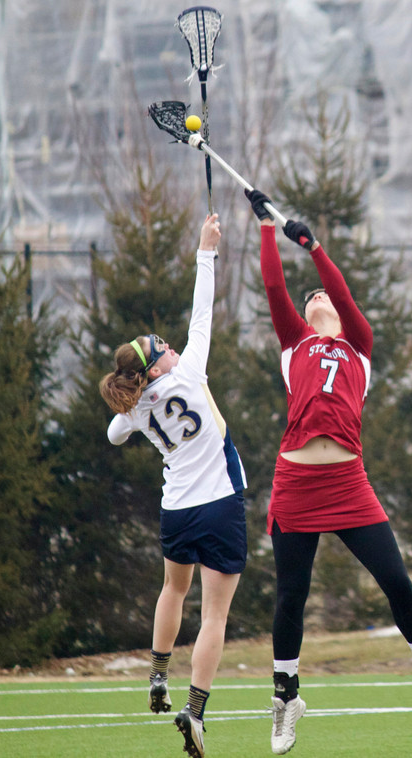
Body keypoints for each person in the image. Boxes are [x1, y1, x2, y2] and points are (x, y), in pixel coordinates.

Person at [245, 189, 412, 755]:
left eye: (324, 296)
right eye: (312, 297)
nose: (319, 297)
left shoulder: (359, 347)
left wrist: (315, 248)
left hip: (348, 484)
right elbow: (275, 288)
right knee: (291, 597)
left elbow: (340, 289)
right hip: (296, 485)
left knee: (396, 580)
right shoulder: (294, 343)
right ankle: (285, 699)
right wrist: (266, 230)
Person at [99, 213, 247, 758]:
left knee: (173, 591)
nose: (172, 347)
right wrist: (206, 250)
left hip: (176, 511)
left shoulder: (135, 406)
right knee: (213, 616)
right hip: (220, 506)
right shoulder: (188, 374)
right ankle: (196, 708)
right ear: (158, 368)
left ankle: (158, 675)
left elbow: (115, 433)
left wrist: (137, 405)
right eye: (162, 348)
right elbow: (203, 311)